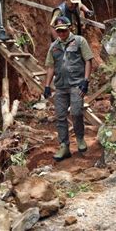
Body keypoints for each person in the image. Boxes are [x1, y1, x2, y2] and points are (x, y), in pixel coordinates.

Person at [43, 16, 94, 161]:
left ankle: (79, 138)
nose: (61, 34)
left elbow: (88, 60)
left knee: (77, 112)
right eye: (59, 31)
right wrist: (47, 85)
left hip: (77, 84)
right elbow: (51, 66)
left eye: (64, 30)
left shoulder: (79, 41)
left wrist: (86, 80)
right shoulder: (54, 47)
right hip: (60, 87)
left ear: (69, 28)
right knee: (60, 116)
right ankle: (64, 146)